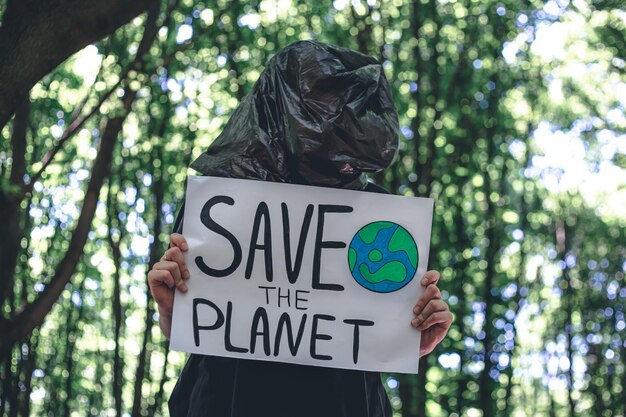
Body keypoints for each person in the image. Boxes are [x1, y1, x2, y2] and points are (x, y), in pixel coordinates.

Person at [148, 40, 453, 417]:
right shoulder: (218, 206)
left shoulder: (384, 222)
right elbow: (201, 327)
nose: (333, 130)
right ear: (279, 108)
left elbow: (372, 333)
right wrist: (169, 314)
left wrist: (409, 337)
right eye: (321, 111)